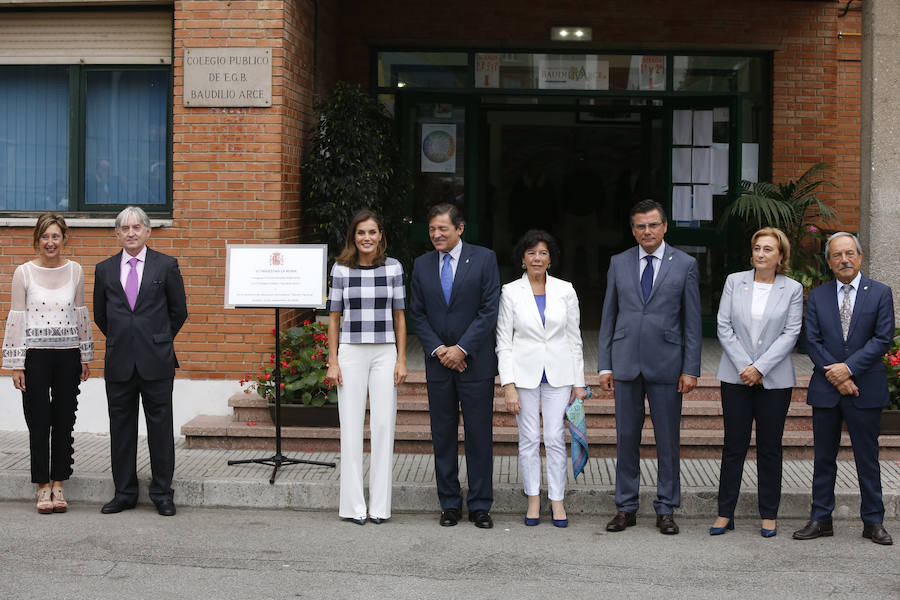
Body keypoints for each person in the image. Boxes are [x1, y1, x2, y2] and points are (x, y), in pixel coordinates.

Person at [598, 199, 701, 535]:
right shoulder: (618, 262)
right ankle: (625, 507)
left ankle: (666, 508)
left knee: (667, 440)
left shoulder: (684, 264)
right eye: (640, 226)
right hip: (625, 362)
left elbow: (692, 322)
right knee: (626, 437)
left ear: (665, 226)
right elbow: (608, 316)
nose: (647, 231)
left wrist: (691, 368)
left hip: (668, 364)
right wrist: (604, 365)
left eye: (653, 225)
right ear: (633, 230)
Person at [793, 232, 895, 545]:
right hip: (826, 389)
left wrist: (848, 369)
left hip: (866, 387)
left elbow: (882, 338)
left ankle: (873, 521)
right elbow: (812, 340)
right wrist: (836, 375)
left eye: (850, 254)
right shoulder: (819, 296)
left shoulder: (880, 293)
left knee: (868, 457)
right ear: (829, 261)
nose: (844, 260)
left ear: (860, 257)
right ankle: (821, 518)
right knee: (824, 457)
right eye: (837, 255)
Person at [409, 203, 500, 528]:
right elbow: (417, 313)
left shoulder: (485, 259)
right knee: (443, 435)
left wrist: (461, 349)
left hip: (475, 364)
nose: (436, 234)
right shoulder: (421, 265)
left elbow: (489, 310)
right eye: (432, 229)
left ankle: (479, 505)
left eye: (442, 229)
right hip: (438, 364)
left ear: (459, 229)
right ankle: (449, 503)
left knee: (479, 435)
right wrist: (440, 350)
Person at [93, 206, 187, 517]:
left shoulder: (166, 266)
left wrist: (157, 338)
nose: (131, 233)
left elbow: (178, 312)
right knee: (121, 430)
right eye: (125, 228)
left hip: (156, 360)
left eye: (137, 227)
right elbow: (101, 316)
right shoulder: (104, 269)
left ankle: (162, 493)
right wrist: (127, 338)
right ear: (117, 233)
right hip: (119, 361)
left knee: (160, 430)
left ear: (147, 231)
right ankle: (124, 493)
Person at [711, 227, 803, 537]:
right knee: (733, 447)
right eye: (757, 248)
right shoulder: (734, 282)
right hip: (735, 377)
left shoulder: (792, 288)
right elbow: (723, 326)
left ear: (781, 256)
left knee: (769, 448)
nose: (760, 254)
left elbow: (791, 333)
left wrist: (760, 367)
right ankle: (725, 513)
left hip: (775, 380)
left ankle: (768, 513)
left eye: (768, 249)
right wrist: (745, 366)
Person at [2, 214, 93, 514]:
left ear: (64, 237)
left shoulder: (75, 271)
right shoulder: (23, 273)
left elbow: (80, 313)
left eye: (55, 236)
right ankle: (42, 485)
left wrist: (84, 357)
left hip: (67, 354)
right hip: (35, 357)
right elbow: (17, 318)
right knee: (39, 421)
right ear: (37, 240)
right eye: (45, 237)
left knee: (65, 420)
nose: (50, 242)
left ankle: (59, 482)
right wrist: (17, 364)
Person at [496, 229, 586, 527]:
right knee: (530, 438)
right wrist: (507, 385)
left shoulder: (566, 289)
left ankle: (557, 501)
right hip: (523, 376)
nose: (537, 258)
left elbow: (575, 338)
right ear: (522, 258)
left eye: (543, 253)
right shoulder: (510, 291)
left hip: (560, 374)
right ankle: (533, 498)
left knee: (554, 438)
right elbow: (503, 341)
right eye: (531, 252)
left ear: (551, 258)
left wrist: (579, 382)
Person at [325, 209, 408, 525]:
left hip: (385, 352)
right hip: (351, 353)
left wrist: (401, 358)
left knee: (384, 426)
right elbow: (334, 317)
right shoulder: (341, 269)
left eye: (372, 232)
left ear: (381, 235)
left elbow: (400, 316)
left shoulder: (393, 269)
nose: (367, 238)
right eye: (361, 233)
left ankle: (380, 507)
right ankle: (353, 507)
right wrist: (333, 361)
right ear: (353, 237)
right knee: (350, 426)